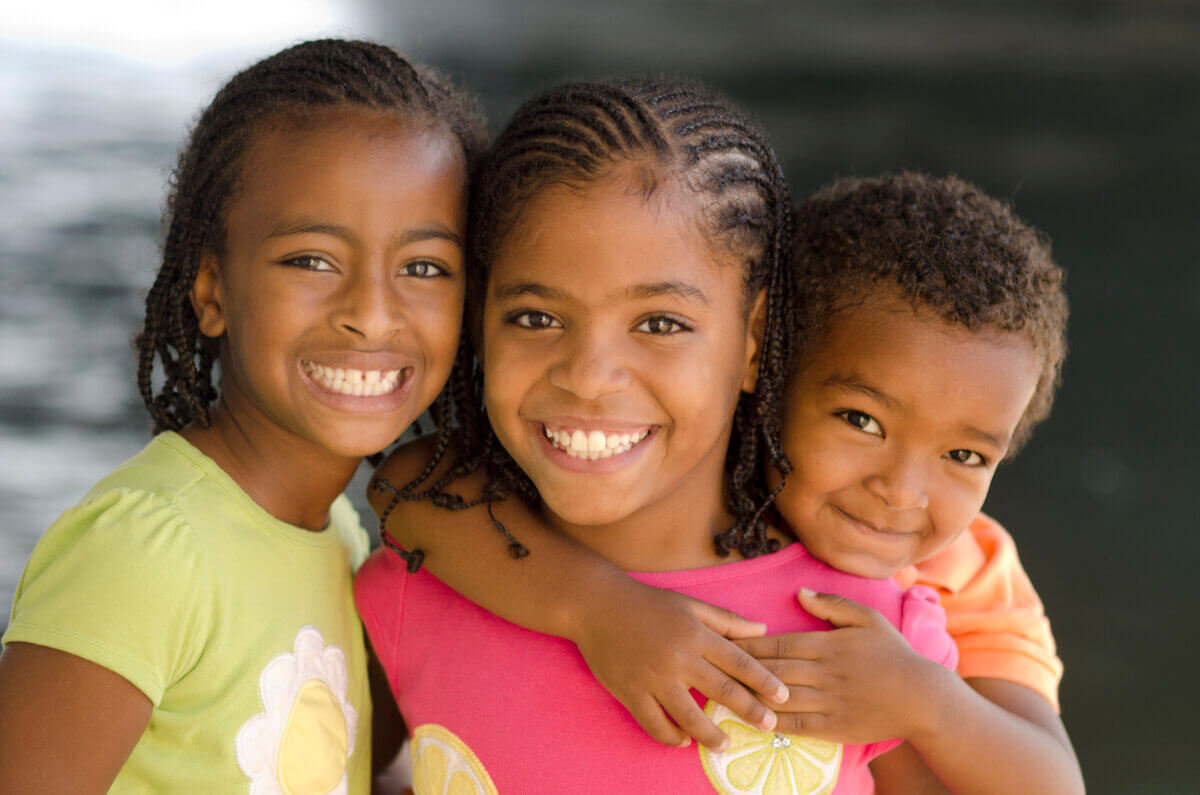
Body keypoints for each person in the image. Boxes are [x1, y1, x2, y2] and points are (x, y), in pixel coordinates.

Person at [366, 169, 1084, 792]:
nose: (900, 489)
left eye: (964, 456)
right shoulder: (672, 461)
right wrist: (599, 609)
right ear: (763, 369)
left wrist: (927, 702)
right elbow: (413, 483)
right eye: (861, 421)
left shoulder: (961, 569)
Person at [0, 39, 486, 792]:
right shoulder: (149, 549)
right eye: (312, 260)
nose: (370, 313)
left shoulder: (340, 542)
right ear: (212, 291)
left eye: (423, 268)